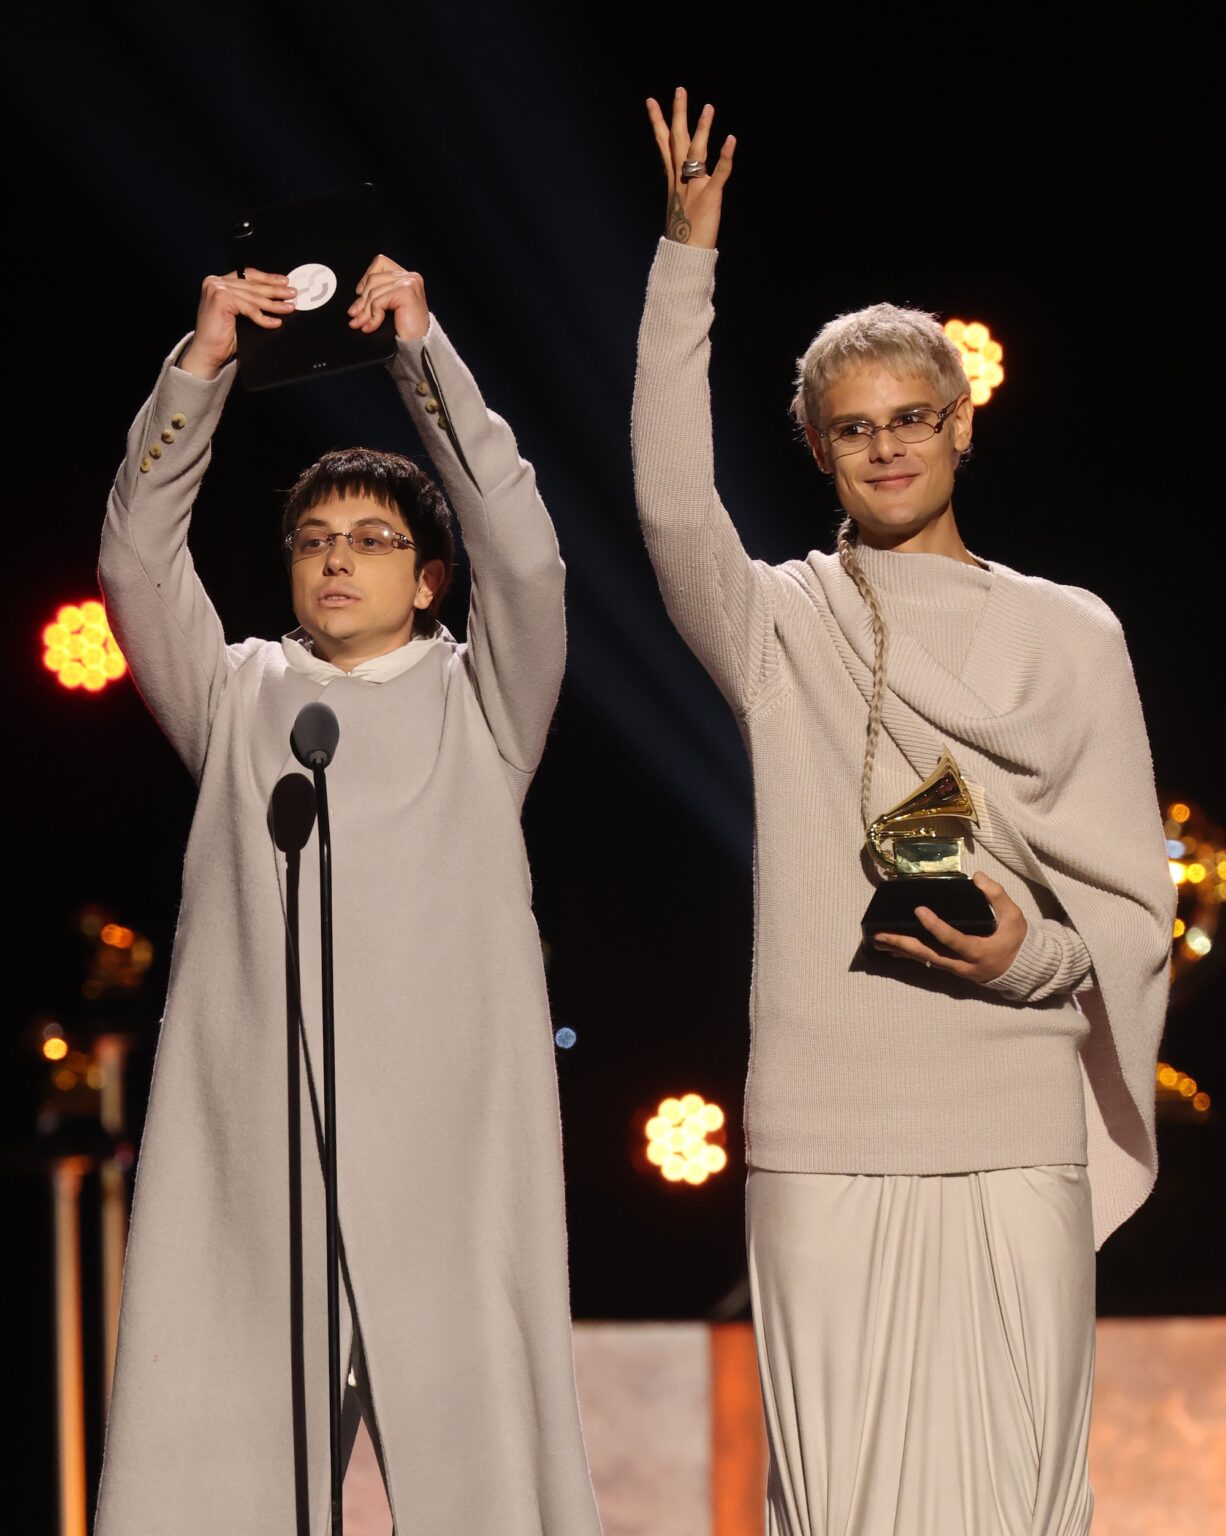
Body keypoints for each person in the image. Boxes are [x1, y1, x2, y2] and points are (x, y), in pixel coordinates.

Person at [632, 89, 1174, 1536]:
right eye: (850, 427)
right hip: (826, 1119)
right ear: (813, 449)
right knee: (841, 1507)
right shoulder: (782, 622)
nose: (884, 448)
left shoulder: (1071, 633)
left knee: (1018, 1501)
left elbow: (1132, 899)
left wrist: (1031, 960)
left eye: (911, 418)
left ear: (959, 426)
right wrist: (686, 260)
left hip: (1009, 1107)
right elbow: (675, 511)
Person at [95, 257, 601, 1535]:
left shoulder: (480, 703)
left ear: (429, 578)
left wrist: (424, 356)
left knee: (483, 1472)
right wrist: (202, 361)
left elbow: (530, 566)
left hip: (448, 1148)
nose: (336, 562)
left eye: (373, 542)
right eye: (314, 542)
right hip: (259, 1146)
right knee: (213, 1476)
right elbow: (136, 563)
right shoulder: (239, 698)